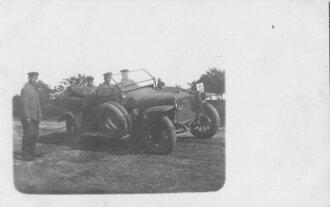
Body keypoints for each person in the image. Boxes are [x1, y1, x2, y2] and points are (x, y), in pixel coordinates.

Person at [20, 72, 42, 161]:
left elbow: (38, 104)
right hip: (28, 117)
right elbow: (24, 104)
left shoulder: (35, 89)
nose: (35, 80)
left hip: (35, 117)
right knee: (28, 135)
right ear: (29, 78)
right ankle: (25, 154)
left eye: (36, 78)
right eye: (33, 78)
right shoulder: (25, 89)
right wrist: (27, 117)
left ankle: (32, 152)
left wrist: (40, 115)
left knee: (34, 135)